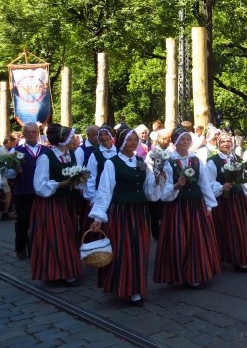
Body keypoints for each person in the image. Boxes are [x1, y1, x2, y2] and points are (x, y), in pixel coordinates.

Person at [88, 128, 164, 306]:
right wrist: (98, 217)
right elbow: (105, 191)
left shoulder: (141, 162)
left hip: (139, 213)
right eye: (130, 139)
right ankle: (123, 287)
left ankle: (136, 289)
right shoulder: (112, 163)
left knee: (140, 250)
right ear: (121, 142)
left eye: (136, 139)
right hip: (121, 213)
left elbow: (149, 191)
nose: (134, 142)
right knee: (123, 250)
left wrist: (158, 180)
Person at [154, 127, 221, 288]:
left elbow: (204, 183)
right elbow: (165, 189)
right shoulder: (168, 161)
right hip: (177, 206)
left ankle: (194, 274)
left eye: (187, 139)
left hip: (195, 204)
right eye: (181, 140)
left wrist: (209, 204)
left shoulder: (196, 160)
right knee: (178, 239)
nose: (185, 142)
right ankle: (176, 273)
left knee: (195, 240)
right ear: (174, 142)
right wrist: (176, 186)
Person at [30, 124, 82, 287]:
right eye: (71, 136)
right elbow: (39, 185)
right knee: (57, 237)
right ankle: (59, 272)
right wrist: (61, 184)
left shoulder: (71, 155)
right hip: (51, 204)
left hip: (68, 201)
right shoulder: (46, 157)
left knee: (70, 235)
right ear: (62, 140)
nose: (74, 139)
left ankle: (69, 269)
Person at [206, 131, 247, 272]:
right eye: (223, 142)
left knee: (241, 230)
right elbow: (209, 182)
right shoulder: (213, 161)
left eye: (228, 141)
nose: (226, 144)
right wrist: (222, 187)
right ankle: (223, 258)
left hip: (238, 199)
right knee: (224, 229)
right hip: (223, 201)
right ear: (217, 144)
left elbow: (245, 180)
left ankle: (241, 260)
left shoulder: (238, 159)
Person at [11, 123, 48, 260]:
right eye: (28, 132)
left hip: (41, 192)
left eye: (34, 132)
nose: (31, 134)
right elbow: (8, 174)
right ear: (24, 134)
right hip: (23, 191)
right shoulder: (15, 151)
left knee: (39, 222)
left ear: (38, 133)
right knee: (23, 221)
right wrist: (15, 170)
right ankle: (20, 247)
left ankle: (35, 248)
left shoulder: (46, 150)